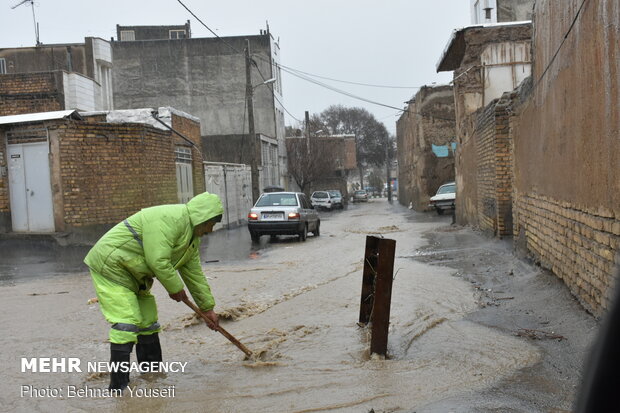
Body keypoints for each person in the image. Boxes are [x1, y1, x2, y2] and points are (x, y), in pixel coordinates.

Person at [84, 191, 224, 391]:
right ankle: (118, 388)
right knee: (126, 323)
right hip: (112, 266)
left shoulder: (192, 239)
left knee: (148, 322)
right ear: (202, 218)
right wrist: (175, 289)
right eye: (211, 224)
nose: (210, 230)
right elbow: (157, 260)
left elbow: (194, 274)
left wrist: (207, 308)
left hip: (135, 274)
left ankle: (152, 378)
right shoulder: (169, 218)